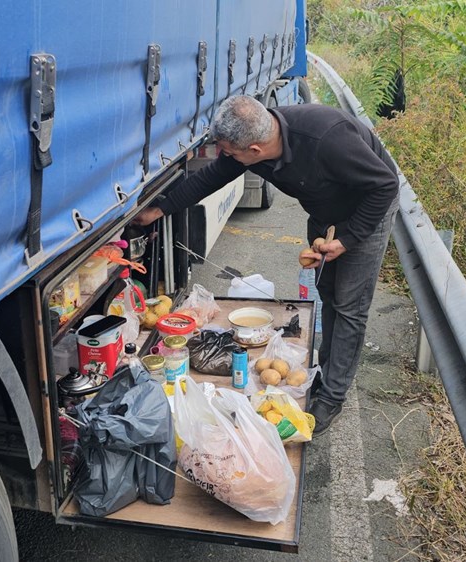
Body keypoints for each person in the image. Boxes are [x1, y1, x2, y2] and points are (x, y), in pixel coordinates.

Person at [134, 95, 400, 435]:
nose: (228, 158)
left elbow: (385, 185)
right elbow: (212, 177)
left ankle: (332, 396)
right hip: (324, 213)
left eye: (232, 153)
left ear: (255, 150)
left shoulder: (328, 139)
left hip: (366, 210)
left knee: (350, 305)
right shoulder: (252, 142)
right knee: (329, 293)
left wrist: (348, 239)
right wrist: (160, 209)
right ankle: (325, 370)